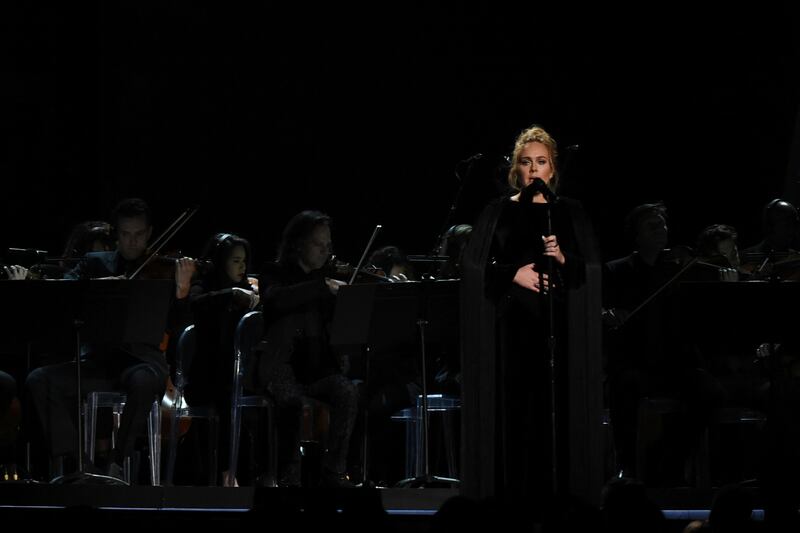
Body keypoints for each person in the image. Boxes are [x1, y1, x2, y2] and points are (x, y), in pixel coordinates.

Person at [460, 124, 598, 504]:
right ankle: (513, 493)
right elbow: (474, 266)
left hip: (558, 325)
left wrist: (563, 257)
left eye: (541, 162)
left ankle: (558, 494)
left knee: (554, 407)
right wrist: (513, 274)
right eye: (526, 162)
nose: (534, 169)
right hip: (512, 326)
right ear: (515, 170)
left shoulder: (568, 212)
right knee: (517, 408)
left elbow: (588, 271)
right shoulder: (499, 211)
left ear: (553, 168)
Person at [24, 198, 195, 481]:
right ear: (117, 233)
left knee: (142, 382)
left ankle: (117, 464)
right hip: (99, 361)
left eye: (139, 235)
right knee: (39, 380)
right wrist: (92, 289)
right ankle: (79, 464)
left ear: (150, 232)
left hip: (142, 362)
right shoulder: (96, 264)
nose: (132, 242)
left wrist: (182, 292)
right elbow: (64, 296)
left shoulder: (163, 269)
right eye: (126, 234)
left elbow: (177, 325)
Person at [603, 202, 726, 485]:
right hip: (636, 362)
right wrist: (607, 314)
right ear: (636, 235)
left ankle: (667, 459)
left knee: (711, 393)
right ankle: (629, 466)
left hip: (674, 363)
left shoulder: (677, 270)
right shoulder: (616, 271)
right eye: (652, 226)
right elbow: (600, 310)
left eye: (663, 225)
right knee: (623, 389)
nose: (662, 230)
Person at [254, 210, 358, 488]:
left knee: (347, 391)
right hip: (281, 367)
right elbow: (275, 300)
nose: (326, 250)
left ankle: (334, 471)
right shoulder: (274, 273)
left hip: (317, 369)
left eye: (328, 244)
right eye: (318, 243)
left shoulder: (328, 281)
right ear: (299, 243)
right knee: (289, 401)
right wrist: (321, 287)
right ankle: (289, 476)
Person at [184, 232, 259, 486]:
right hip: (204, 379)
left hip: (236, 376)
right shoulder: (204, 285)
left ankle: (260, 474)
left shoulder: (247, 289)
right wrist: (231, 294)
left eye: (244, 261)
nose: (242, 267)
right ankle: (229, 473)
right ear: (221, 261)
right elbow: (195, 304)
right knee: (229, 397)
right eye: (236, 261)